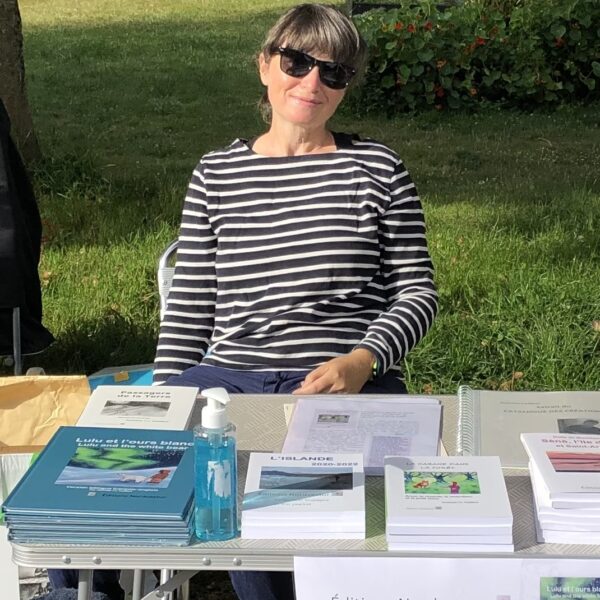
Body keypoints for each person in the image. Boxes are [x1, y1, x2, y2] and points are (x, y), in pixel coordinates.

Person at [154, 4, 438, 600]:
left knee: (345, 532)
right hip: (232, 381)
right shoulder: (217, 174)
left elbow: (417, 292)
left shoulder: (377, 169)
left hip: (346, 381)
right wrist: (162, 404)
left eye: (333, 73)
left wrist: (363, 360)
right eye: (297, 62)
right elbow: (189, 309)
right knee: (114, 494)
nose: (312, 82)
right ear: (264, 65)